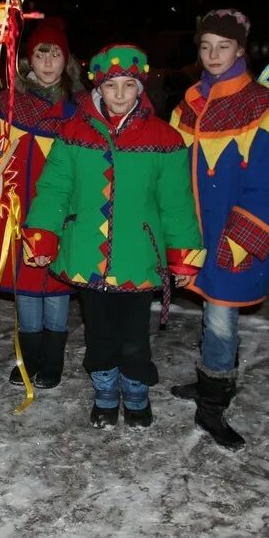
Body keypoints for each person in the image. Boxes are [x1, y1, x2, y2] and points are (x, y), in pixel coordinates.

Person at [23, 44, 204, 429]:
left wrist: (184, 255)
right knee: (100, 333)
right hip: (88, 254)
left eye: (128, 85)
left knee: (135, 337)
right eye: (111, 87)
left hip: (139, 256)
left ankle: (136, 394)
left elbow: (176, 203)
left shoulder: (165, 139)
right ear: (97, 90)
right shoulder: (71, 133)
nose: (119, 95)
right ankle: (105, 393)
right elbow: (54, 189)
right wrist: (43, 236)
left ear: (141, 89)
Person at [169, 8, 269, 450]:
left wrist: (244, 238)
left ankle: (213, 407)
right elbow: (169, 171)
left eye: (222, 47)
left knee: (222, 318)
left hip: (232, 236)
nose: (212, 55)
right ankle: (211, 378)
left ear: (241, 49)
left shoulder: (267, 109)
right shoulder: (186, 106)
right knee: (210, 314)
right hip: (194, 234)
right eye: (205, 46)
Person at [0, 17, 81, 389]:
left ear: (66, 61)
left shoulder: (80, 109)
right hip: (18, 216)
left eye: (54, 54)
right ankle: (29, 359)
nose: (47, 62)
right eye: (40, 53)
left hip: (62, 216)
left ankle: (52, 363)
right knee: (27, 289)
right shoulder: (5, 105)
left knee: (55, 288)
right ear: (28, 61)